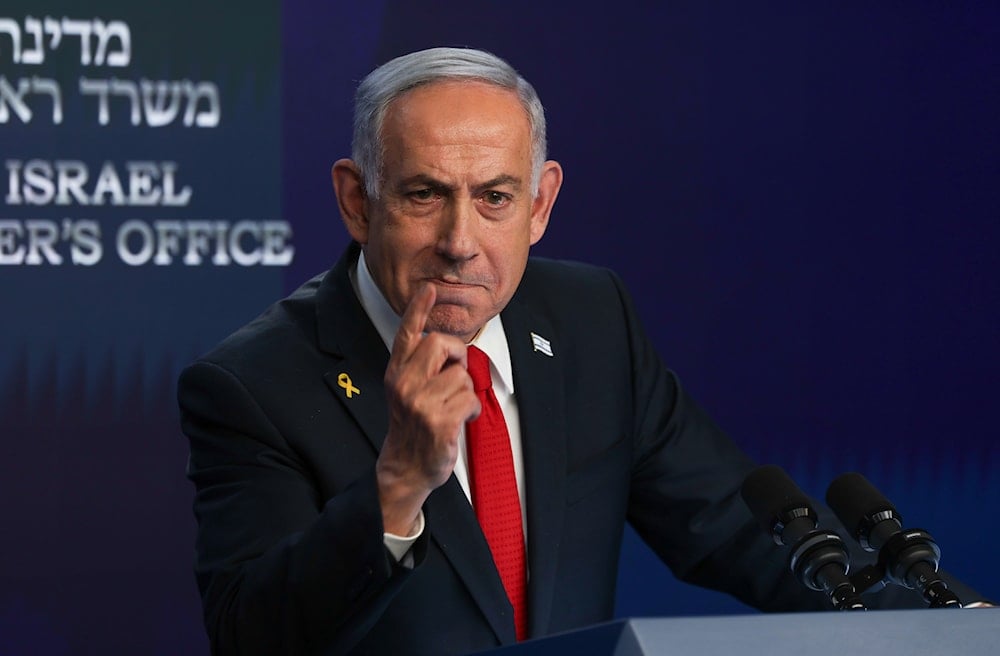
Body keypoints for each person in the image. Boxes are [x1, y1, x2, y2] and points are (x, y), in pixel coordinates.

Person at [178, 47, 984, 656]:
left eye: (494, 198)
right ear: (358, 201)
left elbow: (742, 531)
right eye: (425, 195)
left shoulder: (590, 319)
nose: (461, 243)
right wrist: (396, 487)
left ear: (541, 203)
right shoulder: (253, 384)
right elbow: (251, 635)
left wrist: (948, 631)